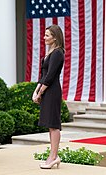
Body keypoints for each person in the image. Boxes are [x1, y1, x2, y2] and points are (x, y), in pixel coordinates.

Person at [32, 24, 65, 169]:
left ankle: (53, 156)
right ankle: (53, 156)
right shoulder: (49, 53)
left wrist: (41, 92)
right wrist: (36, 90)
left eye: (47, 35)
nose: (44, 38)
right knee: (50, 125)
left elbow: (51, 76)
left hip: (52, 91)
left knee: (54, 124)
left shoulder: (58, 53)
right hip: (46, 90)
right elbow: (43, 75)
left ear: (55, 37)